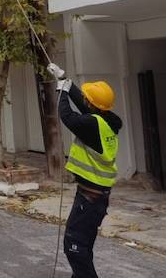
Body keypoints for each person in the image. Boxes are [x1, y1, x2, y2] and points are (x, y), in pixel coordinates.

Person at [56, 78, 122, 278]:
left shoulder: (91, 124)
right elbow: (87, 108)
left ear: (91, 103)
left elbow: (67, 116)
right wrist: (64, 79)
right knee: (82, 246)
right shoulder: (107, 120)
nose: (84, 99)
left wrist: (62, 92)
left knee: (74, 247)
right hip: (96, 196)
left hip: (90, 197)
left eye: (86, 98)